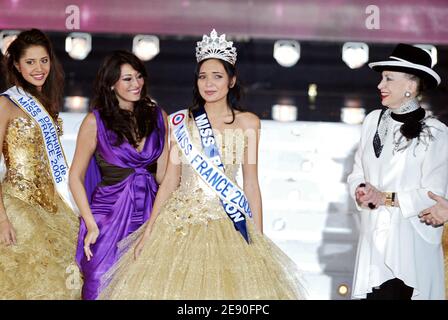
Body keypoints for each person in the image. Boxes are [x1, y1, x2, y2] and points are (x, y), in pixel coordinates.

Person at [98, 29, 306, 299]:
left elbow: (251, 183)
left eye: (217, 76)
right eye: (203, 76)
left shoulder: (248, 123)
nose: (209, 83)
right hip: (178, 225)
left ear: (231, 81)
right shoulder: (180, 122)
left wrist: (259, 238)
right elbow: (171, 180)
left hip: (228, 223)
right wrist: (149, 230)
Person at [348, 43, 447, 300]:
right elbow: (357, 172)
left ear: (411, 87)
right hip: (373, 245)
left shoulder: (436, 132)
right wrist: (361, 190)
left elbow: (434, 194)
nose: (381, 85)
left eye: (389, 78)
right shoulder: (371, 121)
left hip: (411, 246)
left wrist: (386, 198)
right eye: (382, 78)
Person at [69, 50, 168, 300]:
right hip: (107, 217)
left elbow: (164, 177)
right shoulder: (95, 121)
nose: (136, 84)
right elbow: (75, 177)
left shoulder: (159, 116)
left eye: (139, 77)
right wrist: (90, 224)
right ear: (111, 83)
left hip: (149, 216)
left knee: (147, 288)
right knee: (99, 285)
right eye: (127, 79)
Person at [0, 29, 81, 299]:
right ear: (16, 64)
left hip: (53, 207)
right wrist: (2, 219)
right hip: (17, 206)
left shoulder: (46, 104)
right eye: (31, 62)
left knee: (65, 280)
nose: (38, 68)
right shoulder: (5, 104)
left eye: (43, 60)